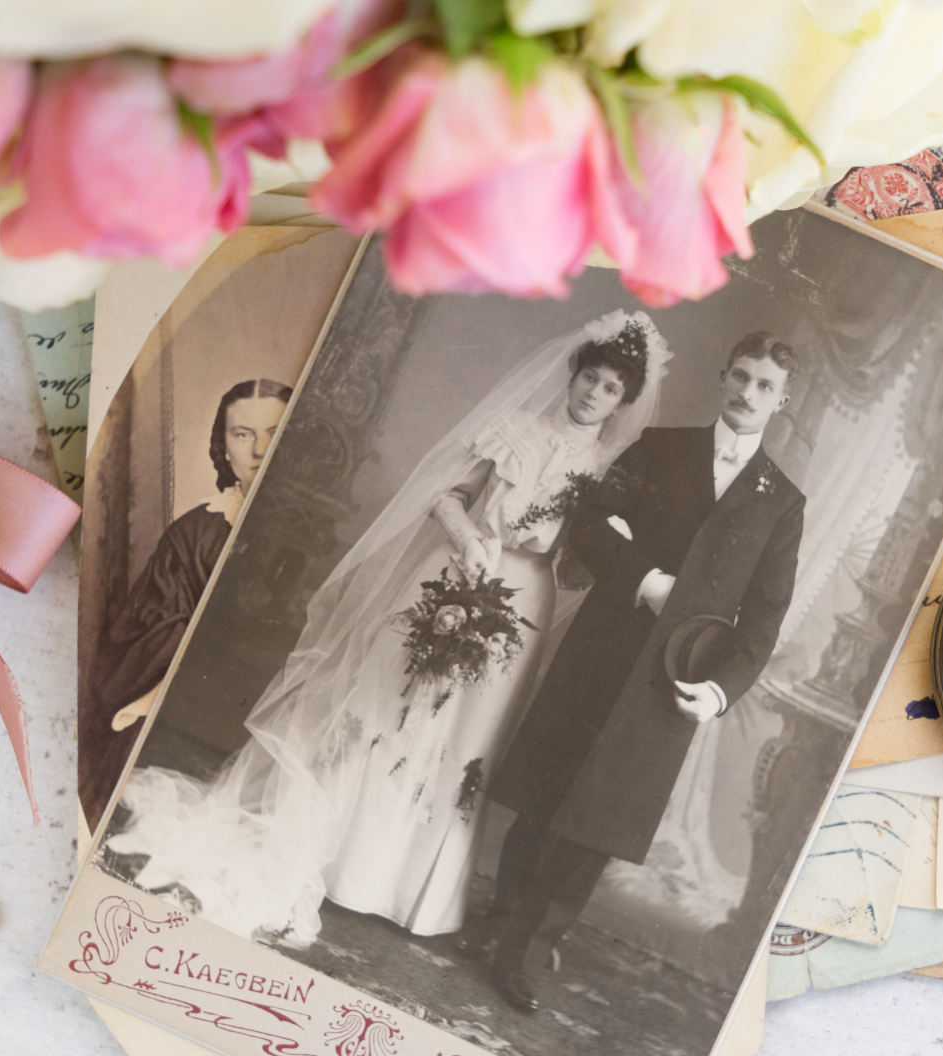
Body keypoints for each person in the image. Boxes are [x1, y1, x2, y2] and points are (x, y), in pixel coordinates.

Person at [105, 311, 671, 946]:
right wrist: (466, 540)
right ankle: (335, 858)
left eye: (611, 389)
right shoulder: (513, 430)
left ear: (623, 403)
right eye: (589, 377)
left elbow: (579, 563)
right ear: (572, 374)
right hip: (457, 571)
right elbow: (445, 494)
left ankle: (409, 892)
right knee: (390, 707)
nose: (594, 393)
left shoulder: (608, 473)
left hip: (524, 601)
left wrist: (583, 552)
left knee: (466, 736)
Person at [486, 331, 806, 1011]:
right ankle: (501, 927)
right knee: (548, 795)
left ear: (782, 400)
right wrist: (644, 579)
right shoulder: (661, 447)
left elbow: (765, 617)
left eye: (765, 386)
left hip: (674, 681)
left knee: (601, 820)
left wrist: (719, 692)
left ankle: (530, 949)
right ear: (724, 375)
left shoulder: (782, 501)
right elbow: (591, 523)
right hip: (603, 650)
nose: (749, 394)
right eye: (742, 377)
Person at [97, 379, 292, 734]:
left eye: (274, 433)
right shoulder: (191, 534)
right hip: (195, 709)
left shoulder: (314, 532)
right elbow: (147, 641)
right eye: (243, 435)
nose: (260, 450)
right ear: (223, 447)